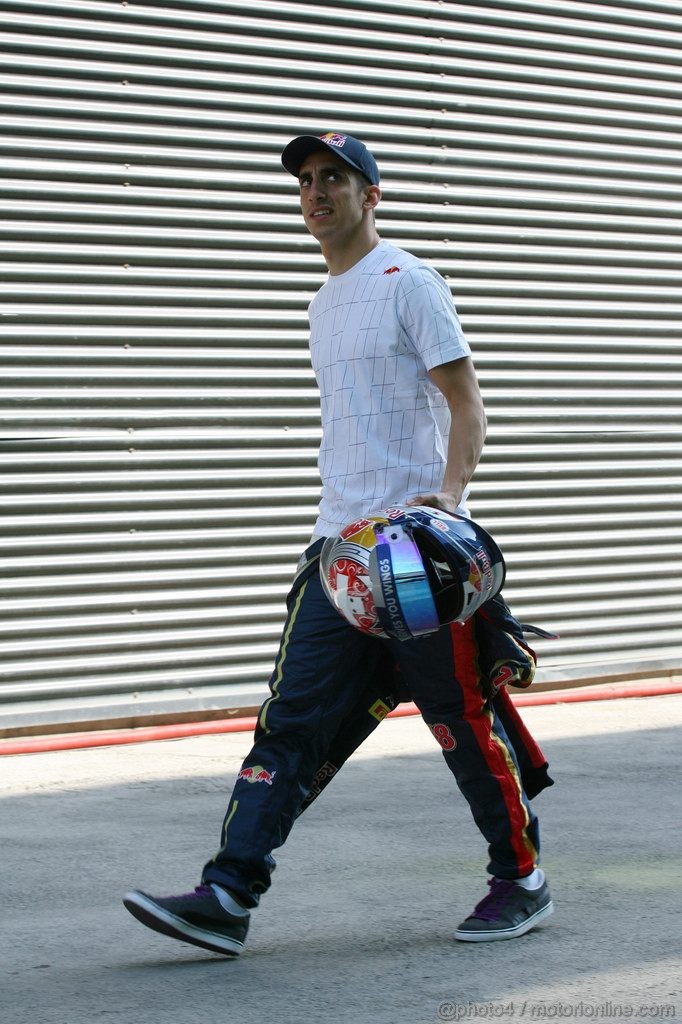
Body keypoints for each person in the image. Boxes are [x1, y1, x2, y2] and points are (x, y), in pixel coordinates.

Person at [123, 131, 554, 956]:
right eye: (307, 182)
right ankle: (226, 893)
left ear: (372, 195)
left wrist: (449, 501)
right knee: (289, 721)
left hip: (415, 557)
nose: (317, 193)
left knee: (458, 720)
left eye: (335, 179)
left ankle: (521, 878)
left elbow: (469, 404)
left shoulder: (408, 282)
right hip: (338, 553)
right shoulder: (323, 300)